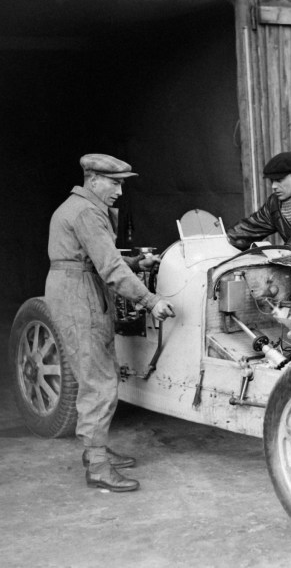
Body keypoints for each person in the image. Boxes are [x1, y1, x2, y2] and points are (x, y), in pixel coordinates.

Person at [45, 153, 175, 493]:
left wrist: (135, 260)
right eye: (115, 183)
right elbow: (110, 269)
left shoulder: (75, 207)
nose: (119, 191)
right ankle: (99, 466)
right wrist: (151, 301)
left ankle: (96, 452)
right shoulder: (88, 212)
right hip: (80, 295)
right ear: (94, 180)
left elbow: (96, 254)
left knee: (97, 372)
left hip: (75, 288)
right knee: (98, 381)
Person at [226, 151, 291, 252]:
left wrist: (290, 250)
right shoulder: (274, 202)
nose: (273, 186)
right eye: (272, 181)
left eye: (279, 180)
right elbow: (251, 228)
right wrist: (225, 239)